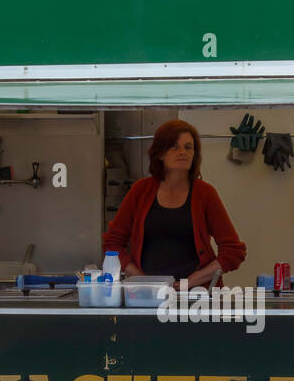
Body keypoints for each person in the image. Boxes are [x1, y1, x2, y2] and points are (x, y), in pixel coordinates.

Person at [103, 119, 245, 287]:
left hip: (196, 297)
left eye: (188, 147)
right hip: (147, 297)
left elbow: (233, 251)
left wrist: (190, 282)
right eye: (174, 146)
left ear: (194, 154)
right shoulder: (140, 191)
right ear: (159, 153)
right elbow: (112, 243)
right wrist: (141, 280)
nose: (182, 152)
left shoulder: (205, 193)